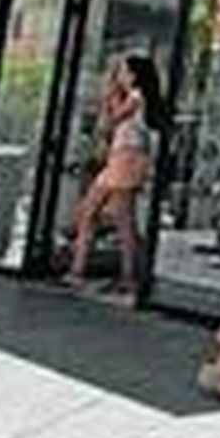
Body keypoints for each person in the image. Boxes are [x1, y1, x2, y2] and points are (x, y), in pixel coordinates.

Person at [63, 53, 166, 297]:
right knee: (89, 211)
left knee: (123, 220)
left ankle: (128, 276)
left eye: (123, 72)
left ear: (134, 75)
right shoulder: (132, 97)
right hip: (119, 158)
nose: (120, 76)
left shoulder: (136, 97)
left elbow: (112, 120)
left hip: (128, 158)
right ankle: (78, 269)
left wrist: (110, 96)